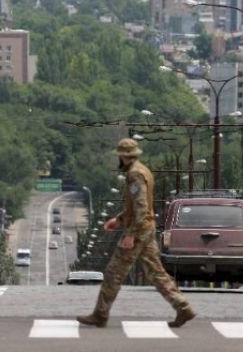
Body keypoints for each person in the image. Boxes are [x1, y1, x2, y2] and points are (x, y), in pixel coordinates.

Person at [77, 138, 196, 328]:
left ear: (123, 156)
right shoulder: (143, 170)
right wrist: (119, 220)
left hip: (139, 231)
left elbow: (141, 208)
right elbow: (136, 208)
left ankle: (100, 314)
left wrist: (131, 234)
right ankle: (183, 307)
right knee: (156, 273)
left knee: (113, 272)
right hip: (146, 228)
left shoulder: (135, 175)